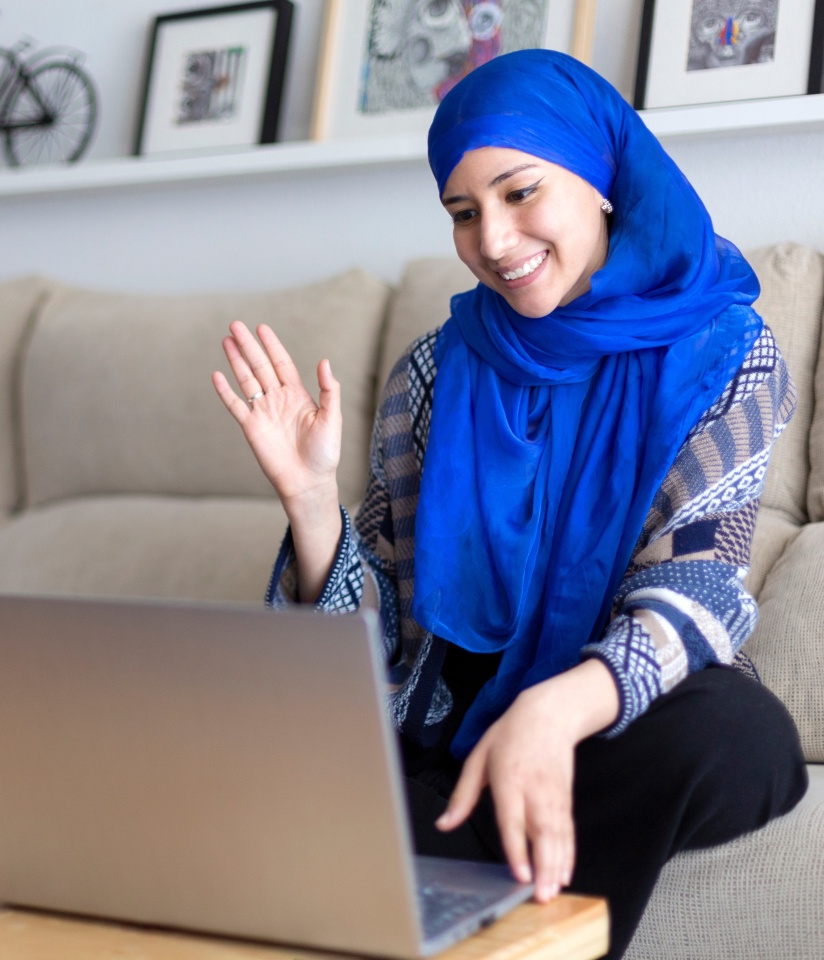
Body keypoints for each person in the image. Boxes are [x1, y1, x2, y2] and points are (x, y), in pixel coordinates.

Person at [211, 49, 808, 960]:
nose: (492, 240)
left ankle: (423, 862)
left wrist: (551, 713)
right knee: (256, 740)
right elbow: (374, 647)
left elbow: (699, 587)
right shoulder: (434, 372)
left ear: (602, 181)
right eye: (463, 212)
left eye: (520, 192)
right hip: (443, 735)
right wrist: (310, 501)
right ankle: (480, 896)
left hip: (614, 721)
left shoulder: (728, 353)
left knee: (741, 732)